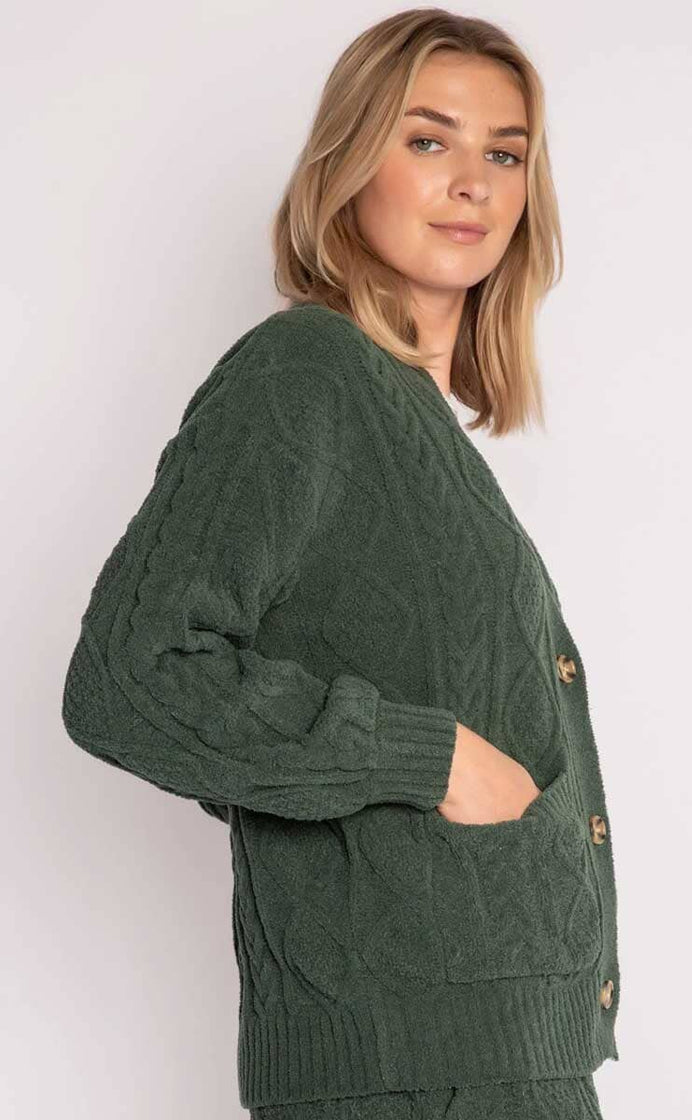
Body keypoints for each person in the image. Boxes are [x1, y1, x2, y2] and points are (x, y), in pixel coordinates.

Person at [61, 9, 620, 1119]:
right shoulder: (304, 375)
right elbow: (130, 676)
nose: (472, 182)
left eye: (505, 153)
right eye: (428, 139)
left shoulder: (402, 419)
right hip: (414, 1074)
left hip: (486, 1059)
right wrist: (430, 757)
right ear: (349, 162)